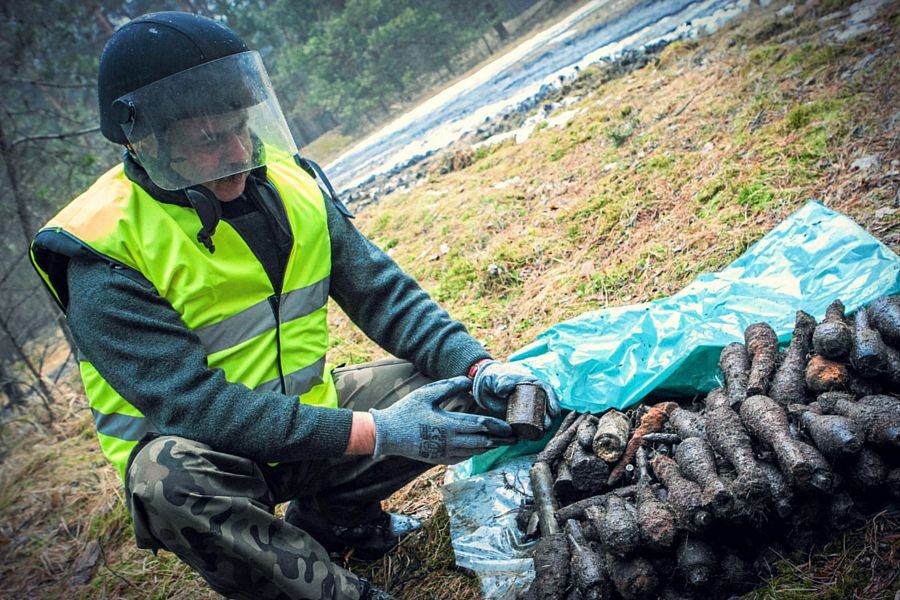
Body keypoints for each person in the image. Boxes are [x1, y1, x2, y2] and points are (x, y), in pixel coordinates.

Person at [29, 11, 559, 600]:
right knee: (168, 481)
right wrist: (379, 431)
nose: (237, 153)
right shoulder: (102, 248)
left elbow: (383, 293)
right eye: (210, 141)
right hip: (214, 460)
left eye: (239, 127)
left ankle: (339, 525)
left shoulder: (289, 183)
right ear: (143, 140)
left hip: (305, 426)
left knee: (450, 390)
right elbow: (195, 407)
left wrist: (478, 365)